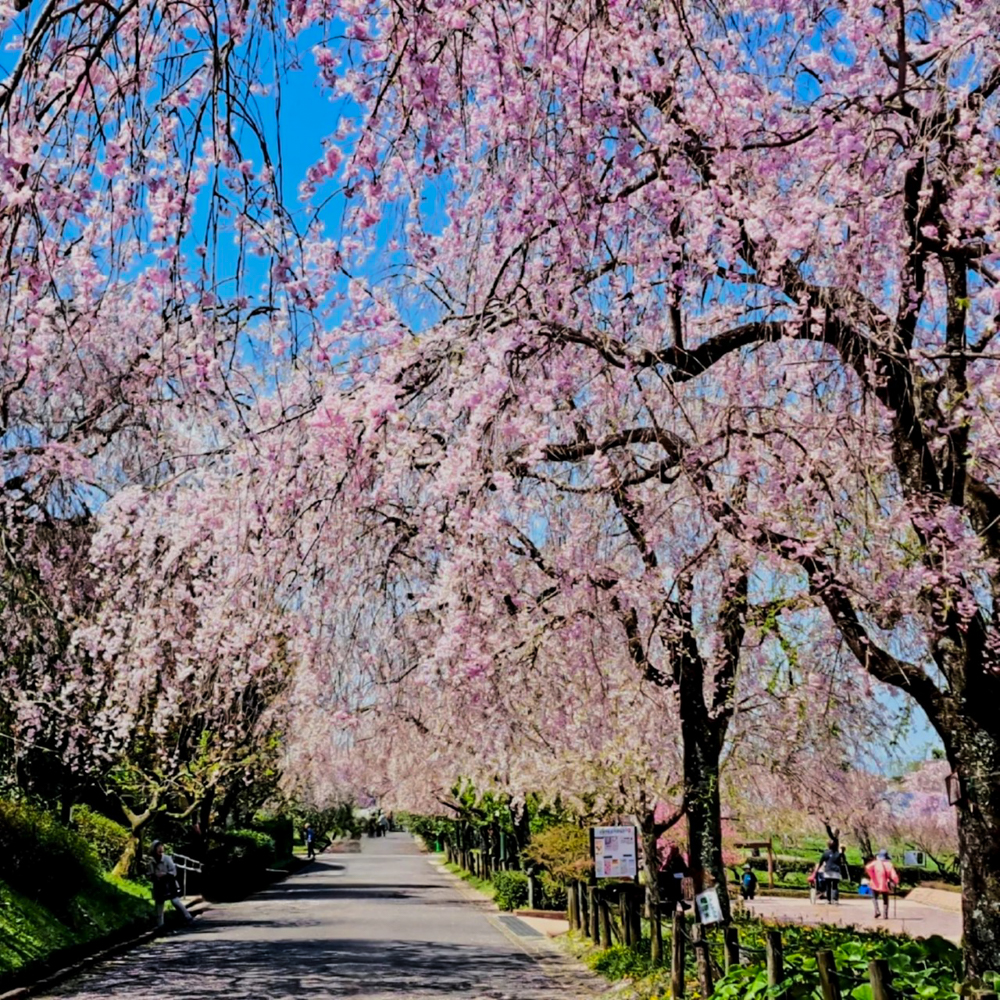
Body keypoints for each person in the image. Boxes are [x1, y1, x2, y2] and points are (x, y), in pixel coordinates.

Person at [150, 841, 194, 928]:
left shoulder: (167, 859)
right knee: (159, 904)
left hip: (169, 884)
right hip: (158, 885)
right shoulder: (151, 861)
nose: (160, 850)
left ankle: (188, 917)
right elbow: (149, 873)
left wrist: (165, 875)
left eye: (161, 847)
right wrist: (154, 876)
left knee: (175, 901)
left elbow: (173, 872)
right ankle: (160, 925)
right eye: (158, 848)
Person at [865, 849, 899, 919]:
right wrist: (895, 882)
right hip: (885, 885)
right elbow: (894, 876)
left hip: (875, 883)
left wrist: (872, 876)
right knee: (885, 899)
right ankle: (885, 915)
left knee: (874, 898)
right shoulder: (889, 865)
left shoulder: (875, 863)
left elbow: (867, 867)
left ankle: (877, 910)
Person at [659, 842, 689, 913]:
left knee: (675, 893)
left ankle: (681, 904)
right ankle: (682, 903)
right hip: (676, 880)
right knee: (677, 891)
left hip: (670, 882)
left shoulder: (669, 860)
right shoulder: (678, 859)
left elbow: (664, 869)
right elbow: (684, 870)